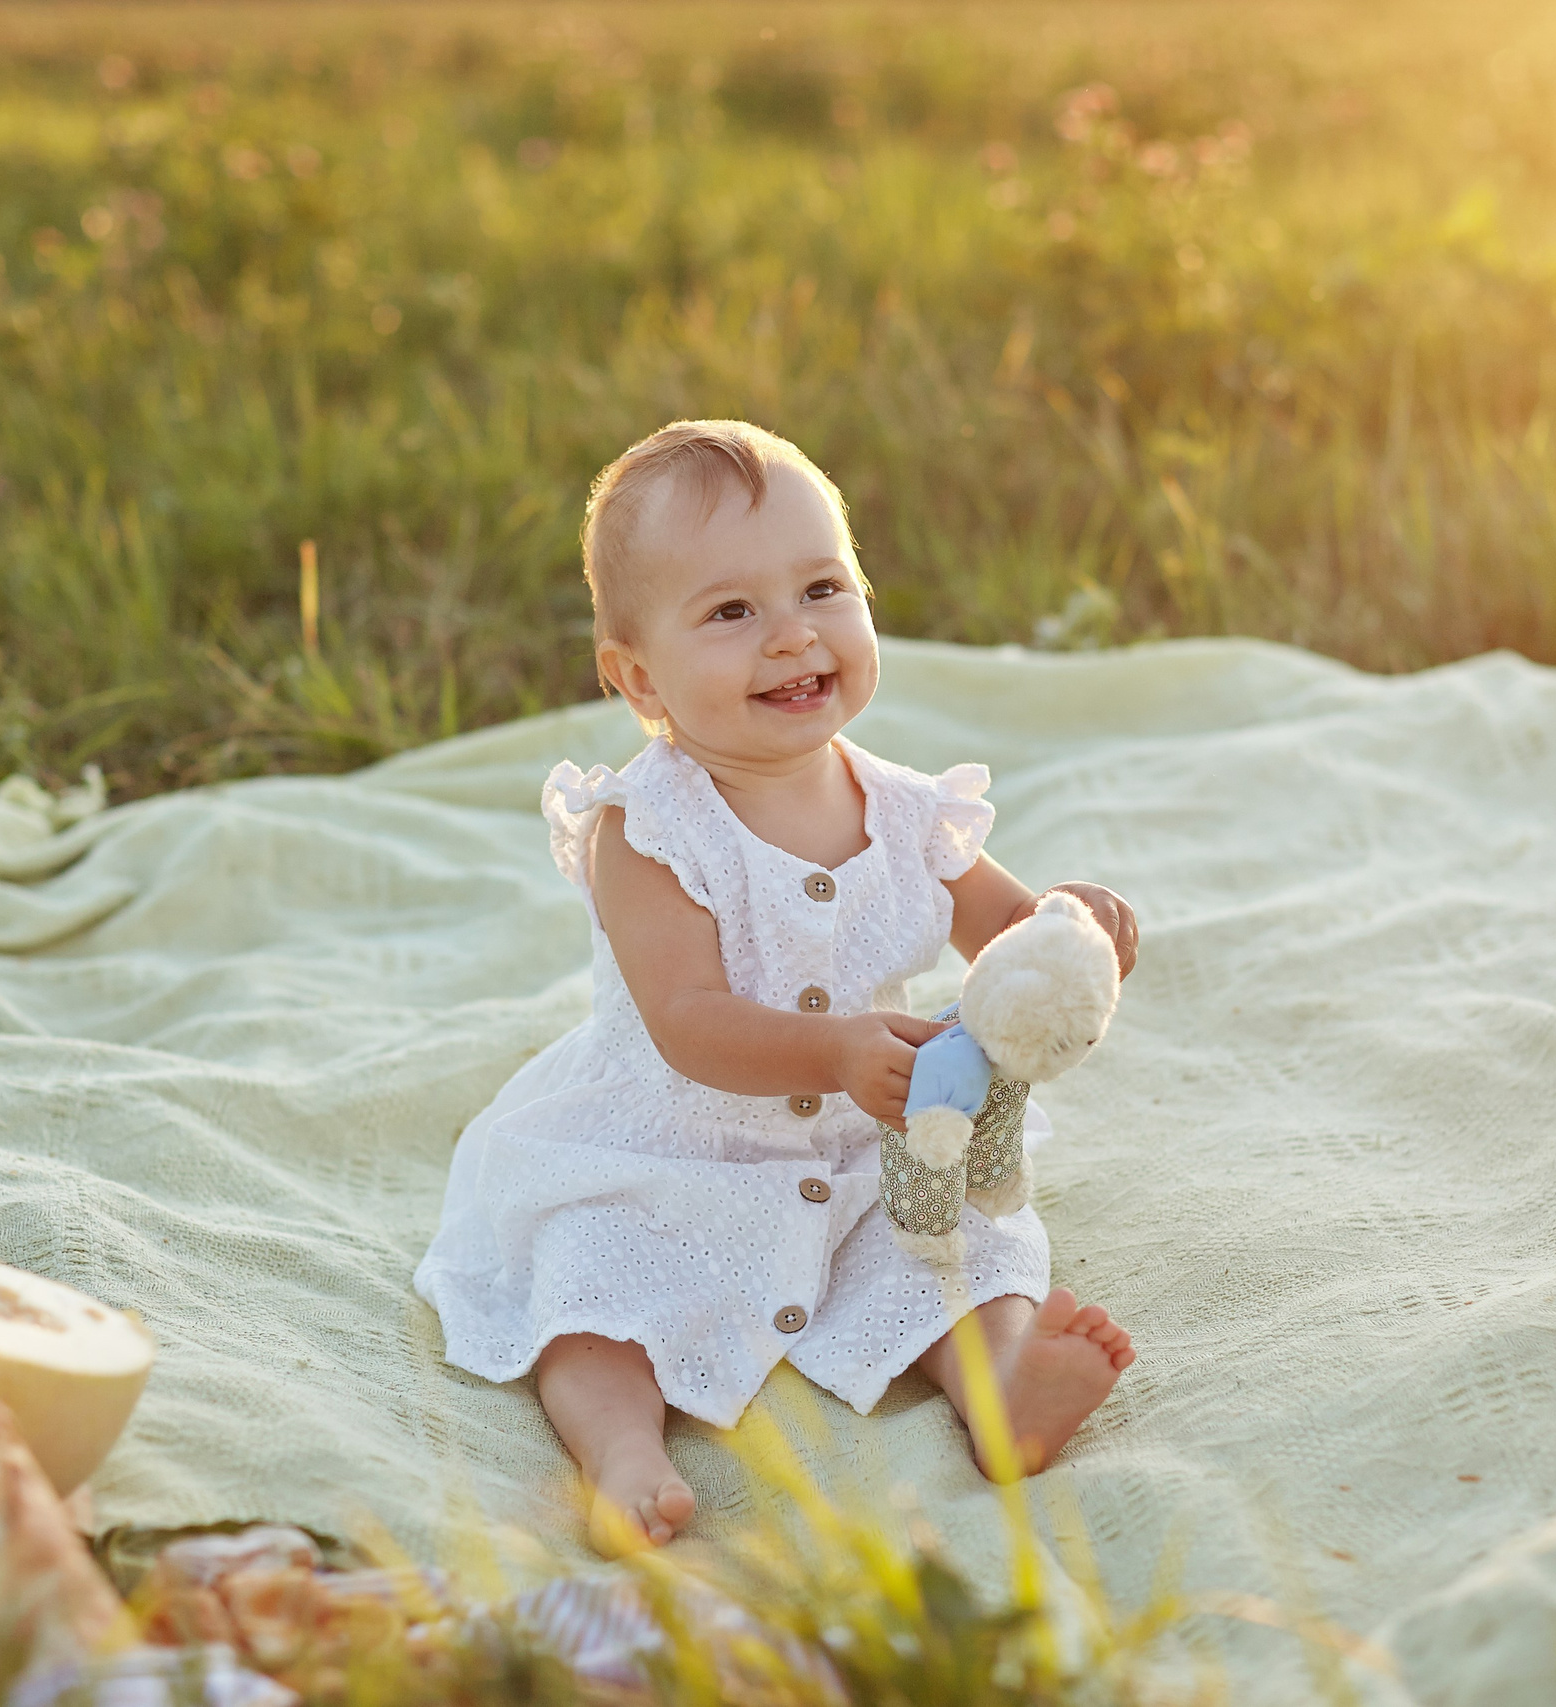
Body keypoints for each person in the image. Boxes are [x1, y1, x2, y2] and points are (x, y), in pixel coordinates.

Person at [414, 420, 1139, 1552]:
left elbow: (1005, 932)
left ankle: (1001, 1386)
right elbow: (687, 1021)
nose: (793, 634)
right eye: (730, 612)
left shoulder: (908, 810)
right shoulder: (649, 830)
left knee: (960, 1251)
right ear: (638, 676)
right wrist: (835, 1052)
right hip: (669, 1148)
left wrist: (1067, 928)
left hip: (869, 1146)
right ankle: (621, 1447)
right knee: (594, 1280)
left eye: (821, 589)